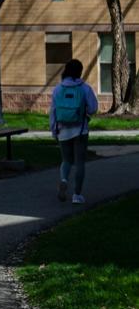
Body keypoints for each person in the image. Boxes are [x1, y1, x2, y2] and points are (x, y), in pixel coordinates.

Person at [49, 59, 98, 204]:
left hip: (63, 130)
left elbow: (53, 111)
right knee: (80, 163)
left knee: (66, 160)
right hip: (80, 130)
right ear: (80, 71)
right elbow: (93, 108)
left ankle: (64, 180)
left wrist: (53, 130)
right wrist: (85, 113)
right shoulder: (85, 88)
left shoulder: (58, 89)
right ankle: (77, 195)